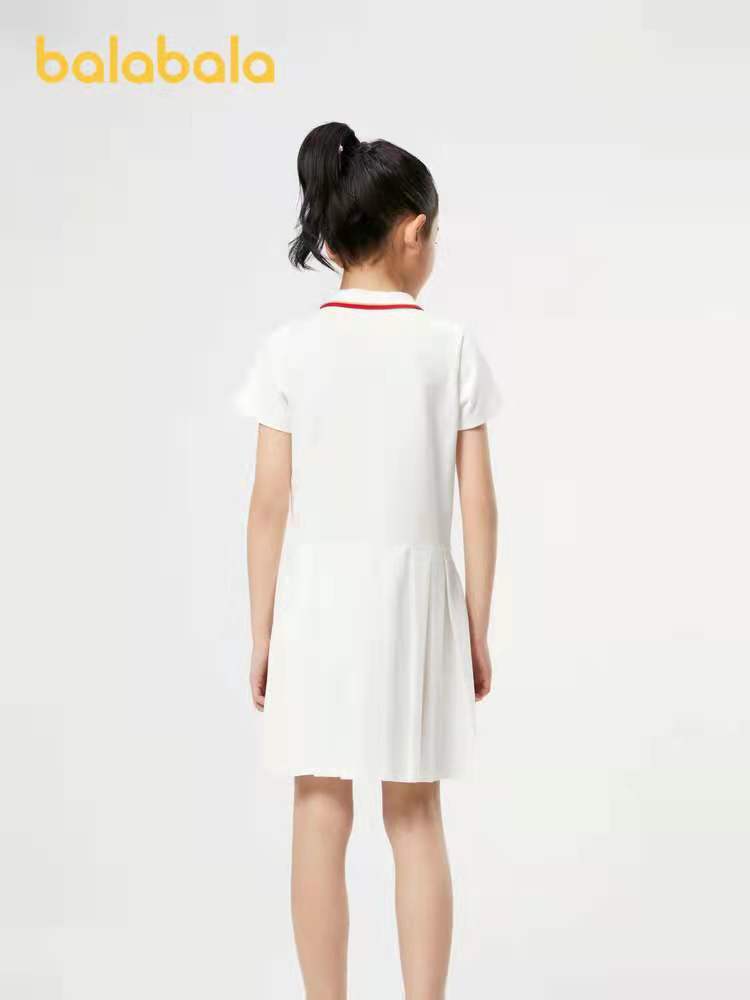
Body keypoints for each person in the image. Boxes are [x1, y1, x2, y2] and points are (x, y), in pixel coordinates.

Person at [236, 121, 501, 1000]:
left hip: (314, 603)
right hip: (416, 605)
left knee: (319, 811)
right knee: (415, 814)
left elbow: (267, 503)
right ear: (413, 231)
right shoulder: (448, 346)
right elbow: (478, 505)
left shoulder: (289, 349)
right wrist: (476, 629)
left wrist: (262, 631)